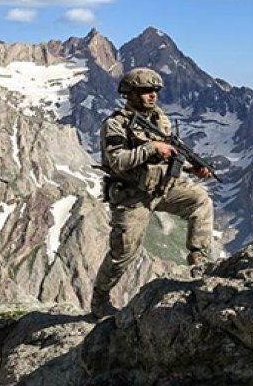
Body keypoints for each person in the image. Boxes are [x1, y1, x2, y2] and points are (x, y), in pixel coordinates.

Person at [90, 67, 214, 318]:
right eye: (146, 91)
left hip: (163, 188)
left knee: (200, 201)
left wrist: (192, 168)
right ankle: (99, 299)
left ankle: (199, 260)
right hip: (132, 195)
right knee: (122, 253)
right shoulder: (115, 124)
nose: (152, 96)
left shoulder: (160, 119)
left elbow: (170, 156)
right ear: (130, 93)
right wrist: (151, 147)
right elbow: (118, 161)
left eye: (155, 91)